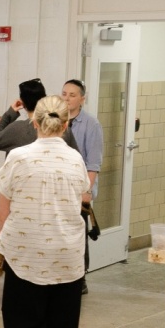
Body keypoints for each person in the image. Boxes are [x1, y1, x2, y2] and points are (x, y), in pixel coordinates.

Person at [0, 96, 89, 328]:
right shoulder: (75, 159)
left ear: (34, 123)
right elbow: (82, 198)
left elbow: (3, 209)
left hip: (26, 256)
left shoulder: (19, 157)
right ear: (65, 125)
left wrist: (1, 235)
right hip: (68, 257)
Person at [62, 79, 104, 293]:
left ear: (82, 99)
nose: (67, 98)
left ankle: (81, 278)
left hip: (80, 189)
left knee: (79, 233)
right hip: (61, 188)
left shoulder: (91, 124)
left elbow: (94, 162)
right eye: (65, 94)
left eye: (72, 95)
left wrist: (87, 191)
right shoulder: (57, 120)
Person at [0, 78, 81, 156]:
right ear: (45, 99)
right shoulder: (62, 128)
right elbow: (77, 158)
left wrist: (9, 114)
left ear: (23, 103)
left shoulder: (17, 129)